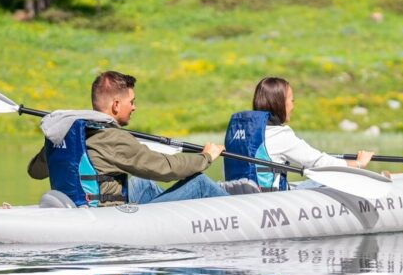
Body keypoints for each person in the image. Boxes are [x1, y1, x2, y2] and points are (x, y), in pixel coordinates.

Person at [28, 71, 232, 206]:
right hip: (105, 217)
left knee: (144, 185)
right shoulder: (112, 137)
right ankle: (241, 211)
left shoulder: (67, 133)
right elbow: (164, 168)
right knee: (200, 184)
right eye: (131, 102)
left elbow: (35, 171)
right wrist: (206, 157)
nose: (134, 107)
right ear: (116, 105)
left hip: (78, 205)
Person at [224, 76, 374, 190]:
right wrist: (358, 164)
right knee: (327, 180)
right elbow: (319, 163)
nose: (293, 106)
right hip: (268, 200)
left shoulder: (240, 131)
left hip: (240, 197)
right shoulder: (280, 135)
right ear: (280, 103)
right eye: (291, 100)